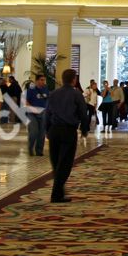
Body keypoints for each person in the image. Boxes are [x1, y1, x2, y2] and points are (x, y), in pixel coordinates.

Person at [42, 68, 89, 203]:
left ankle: (59, 192)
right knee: (65, 163)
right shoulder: (76, 94)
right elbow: (83, 113)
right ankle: (56, 194)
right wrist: (84, 129)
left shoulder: (53, 94)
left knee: (56, 162)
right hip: (68, 131)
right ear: (74, 80)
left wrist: (47, 130)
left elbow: (47, 113)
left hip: (54, 130)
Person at [24, 73, 49, 155]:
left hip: (43, 113)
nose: (43, 82)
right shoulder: (31, 89)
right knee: (33, 132)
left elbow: (47, 99)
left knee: (42, 133)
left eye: (44, 80)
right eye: (41, 80)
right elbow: (26, 101)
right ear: (37, 81)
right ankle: (30, 148)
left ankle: (39, 151)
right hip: (32, 113)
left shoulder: (46, 88)